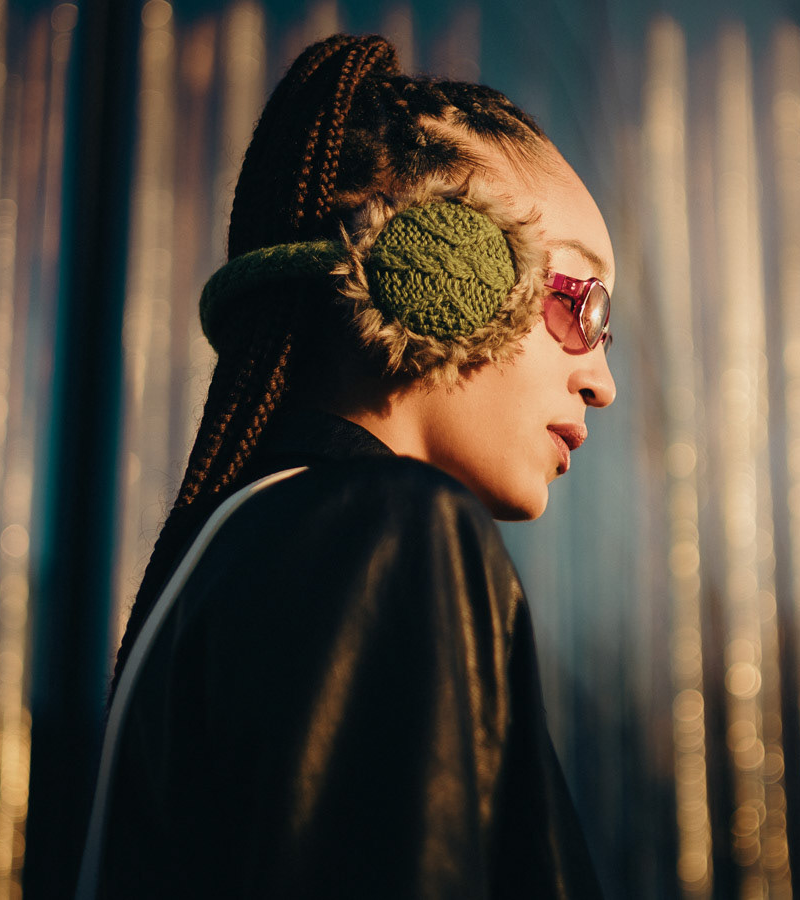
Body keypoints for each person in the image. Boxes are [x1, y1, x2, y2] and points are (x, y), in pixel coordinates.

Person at [79, 33, 617, 898]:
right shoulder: (385, 531)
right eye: (582, 305)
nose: (602, 382)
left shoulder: (257, 541)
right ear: (444, 263)